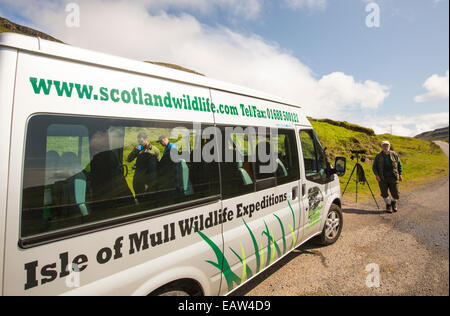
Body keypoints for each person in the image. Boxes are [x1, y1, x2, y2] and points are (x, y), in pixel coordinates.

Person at [127, 132, 160, 201]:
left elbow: (159, 164)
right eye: (139, 141)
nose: (140, 143)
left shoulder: (155, 150)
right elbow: (129, 159)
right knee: (139, 197)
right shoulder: (138, 148)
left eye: (141, 141)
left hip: (149, 178)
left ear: (146, 139)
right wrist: (134, 151)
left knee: (149, 198)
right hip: (138, 178)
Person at [372, 140, 403, 213]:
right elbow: (374, 167)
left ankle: (394, 203)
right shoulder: (378, 156)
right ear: (381, 147)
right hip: (382, 178)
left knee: (396, 193)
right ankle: (388, 205)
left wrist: (400, 174)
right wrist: (377, 175)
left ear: (389, 146)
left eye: (387, 145)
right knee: (384, 193)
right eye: (384, 145)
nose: (385, 147)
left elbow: (399, 164)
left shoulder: (394, 154)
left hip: (393, 177)